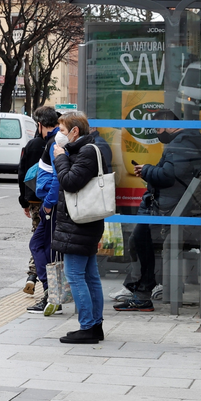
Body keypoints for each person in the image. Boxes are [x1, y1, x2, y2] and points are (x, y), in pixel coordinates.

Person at [117, 111, 201, 312]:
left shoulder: (180, 143)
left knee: (139, 239)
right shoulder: (186, 140)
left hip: (171, 211)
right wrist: (148, 169)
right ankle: (140, 289)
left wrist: (147, 170)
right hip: (175, 208)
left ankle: (142, 292)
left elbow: (168, 176)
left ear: (169, 124)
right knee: (138, 239)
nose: (157, 133)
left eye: (158, 128)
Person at [51, 111, 112, 344]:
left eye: (63, 131)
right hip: (85, 223)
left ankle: (87, 327)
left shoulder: (86, 151)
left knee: (75, 275)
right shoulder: (87, 149)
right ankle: (95, 326)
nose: (59, 135)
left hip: (79, 224)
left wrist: (60, 157)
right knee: (90, 276)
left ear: (75, 131)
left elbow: (70, 182)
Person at [22, 107, 60, 307]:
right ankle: (50, 292)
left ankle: (50, 293)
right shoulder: (53, 142)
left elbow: (57, 178)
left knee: (42, 247)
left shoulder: (54, 144)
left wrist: (47, 205)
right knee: (40, 246)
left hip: (49, 206)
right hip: (49, 205)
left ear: (40, 125)